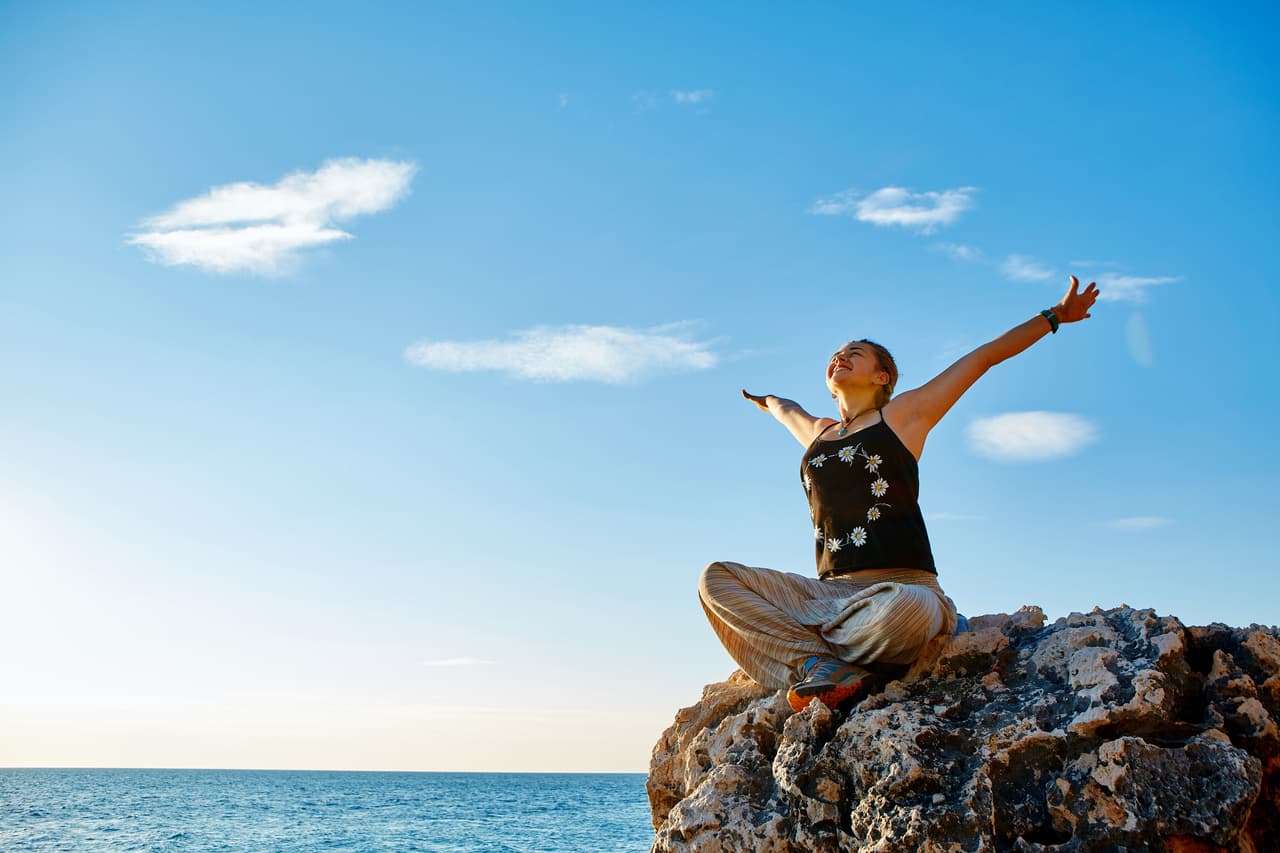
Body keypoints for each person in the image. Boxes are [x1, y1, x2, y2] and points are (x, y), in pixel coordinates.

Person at [699, 276, 1099, 713]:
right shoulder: (818, 434)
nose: (840, 357)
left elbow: (982, 358)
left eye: (854, 353)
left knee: (909, 610)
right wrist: (768, 401)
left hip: (901, 592)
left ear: (882, 376)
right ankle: (818, 664)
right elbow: (787, 410)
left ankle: (846, 650)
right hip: (828, 598)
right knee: (716, 579)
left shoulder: (904, 415)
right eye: (835, 355)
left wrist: (1055, 316)